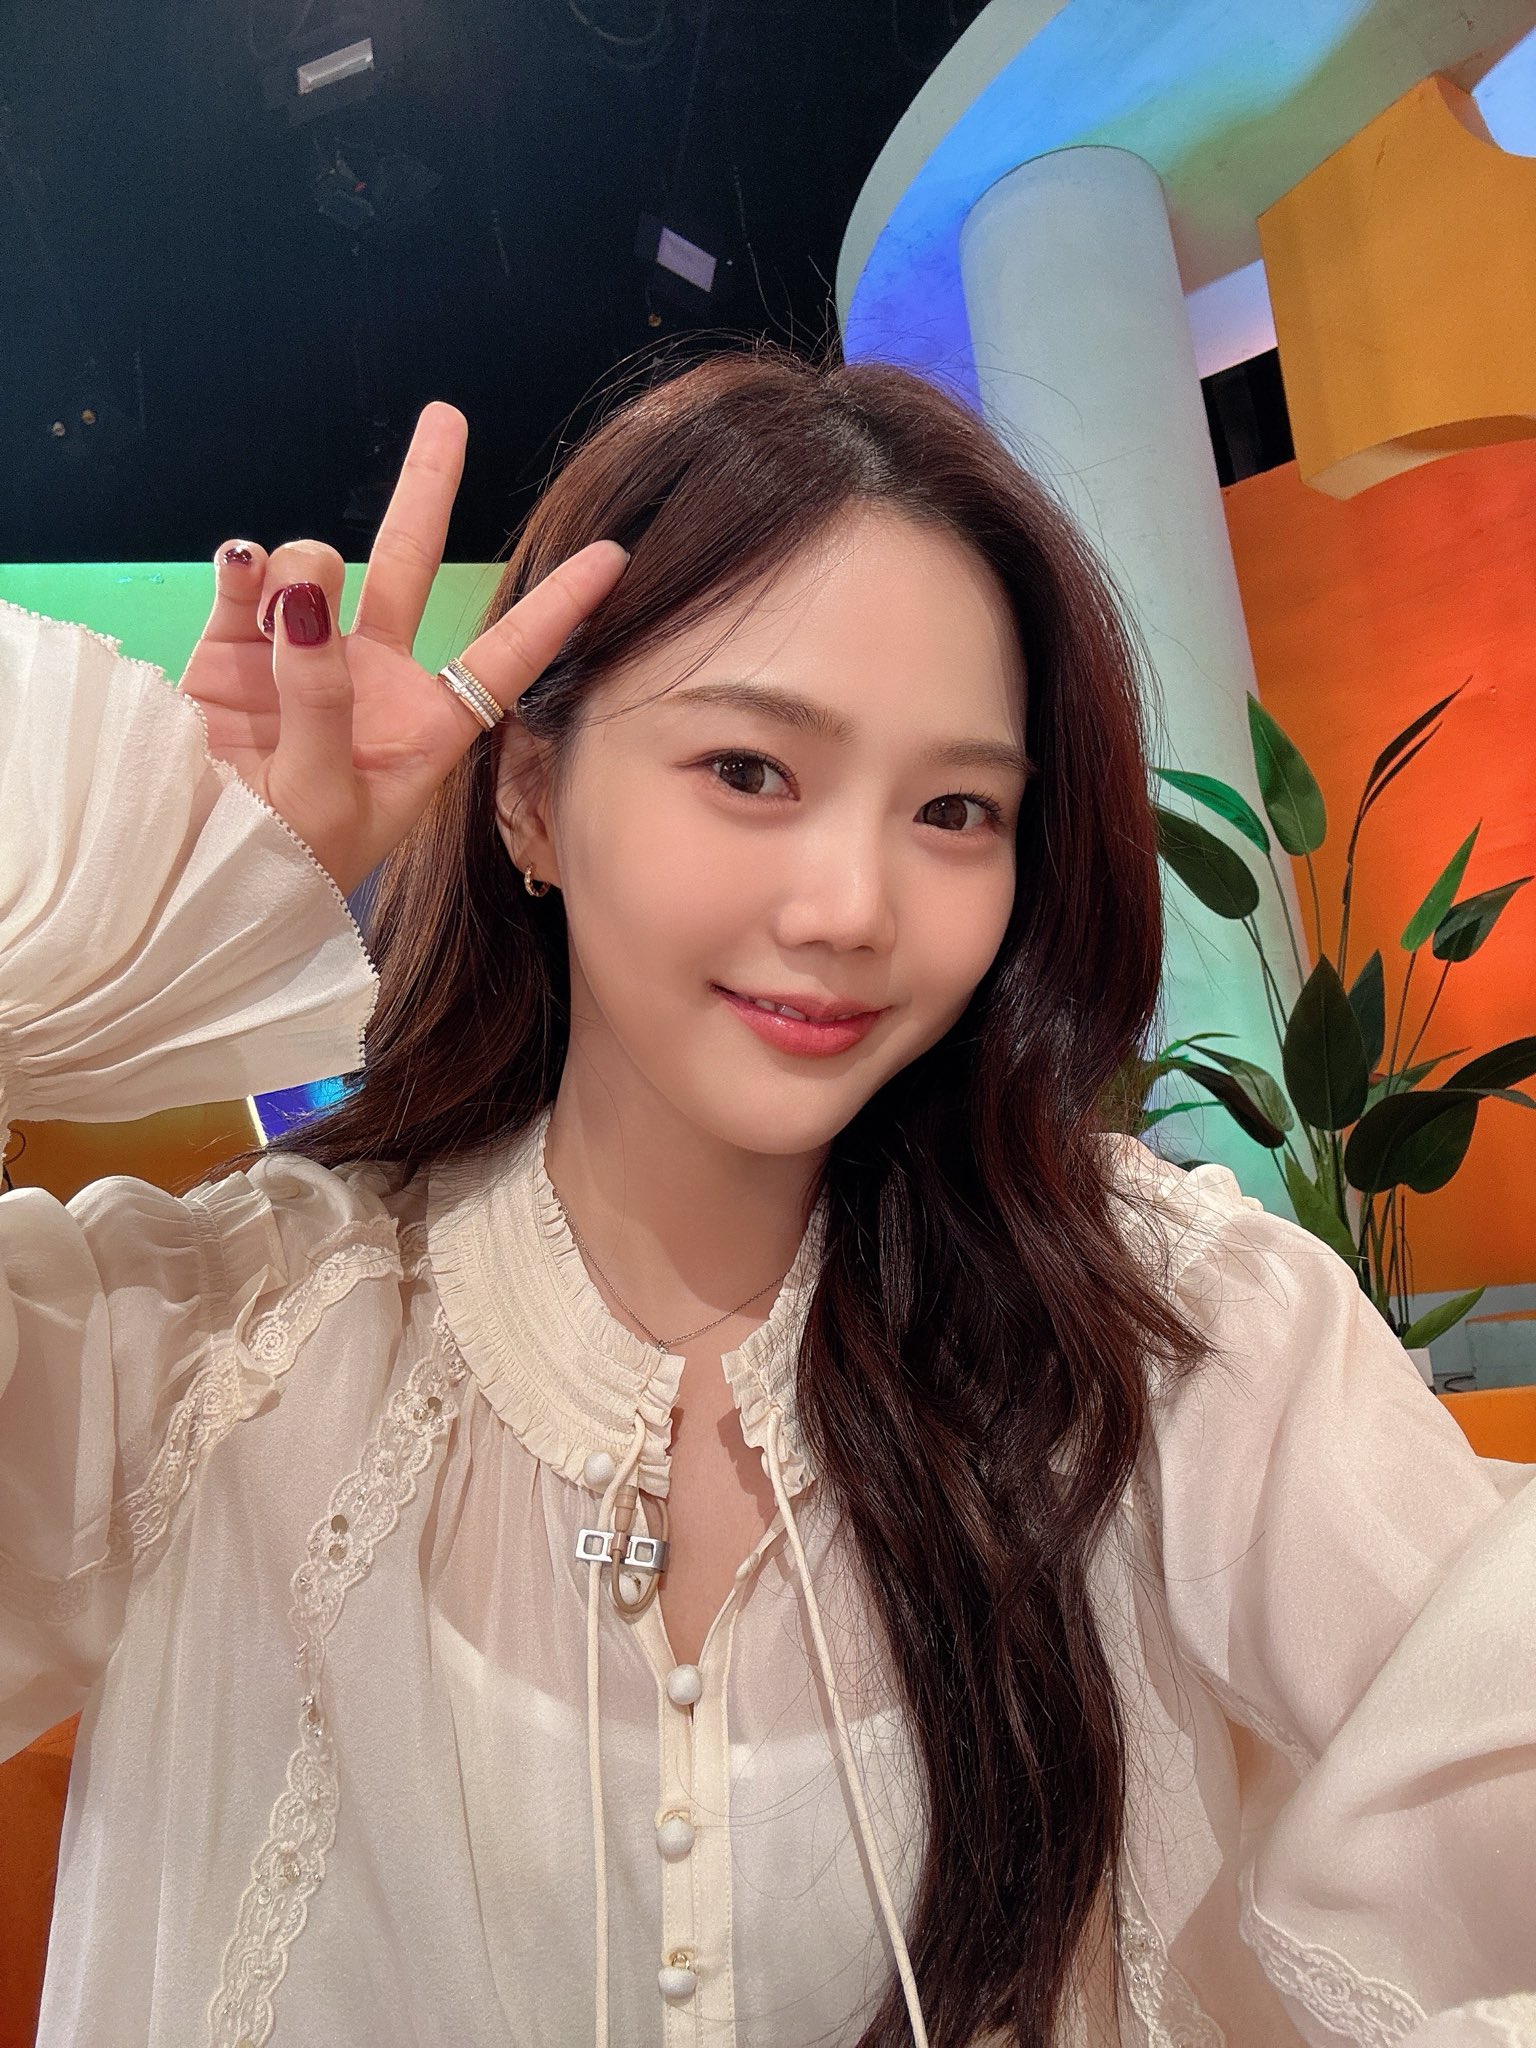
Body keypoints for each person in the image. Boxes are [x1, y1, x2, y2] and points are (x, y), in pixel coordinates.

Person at [1, 346, 1532, 2048]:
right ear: (530, 797)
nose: (852, 905)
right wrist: (146, 913)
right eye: (749, 769)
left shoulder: (1179, 1334)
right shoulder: (211, 1342)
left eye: (956, 809)